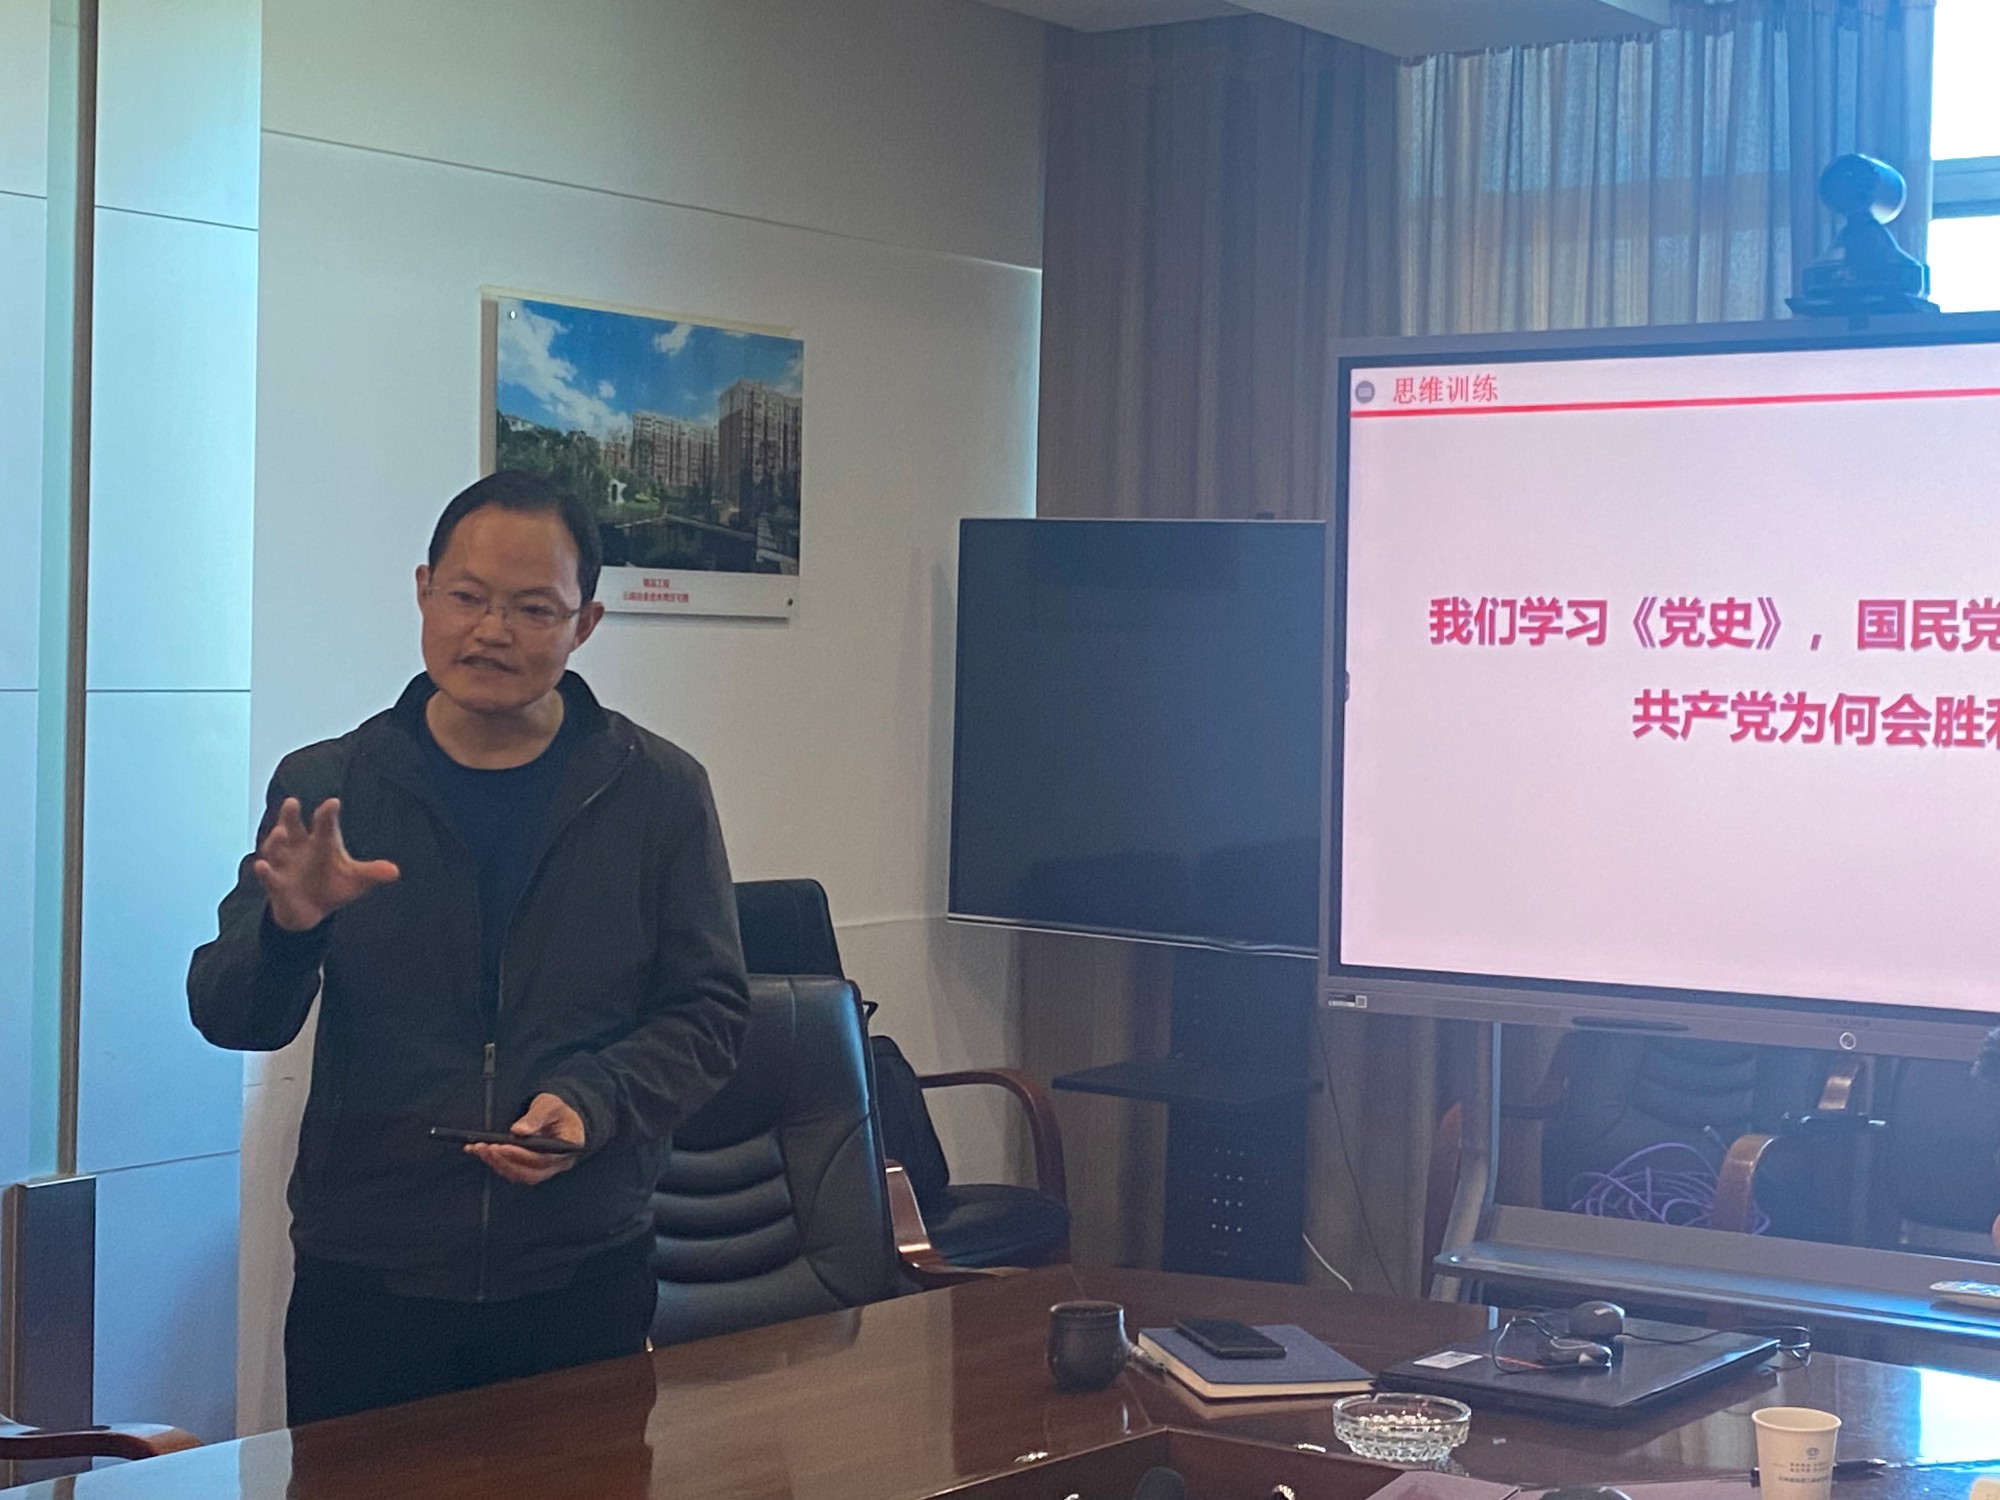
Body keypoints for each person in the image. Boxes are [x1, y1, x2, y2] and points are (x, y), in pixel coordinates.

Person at [189, 469, 751, 1424]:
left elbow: (710, 1013)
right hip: (370, 1280)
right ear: (424, 593)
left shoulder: (656, 791)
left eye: (534, 609)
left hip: (578, 1276)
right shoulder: (332, 785)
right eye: (467, 597)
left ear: (585, 624)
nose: (492, 631)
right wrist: (291, 931)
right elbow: (230, 1015)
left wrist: (593, 1102)